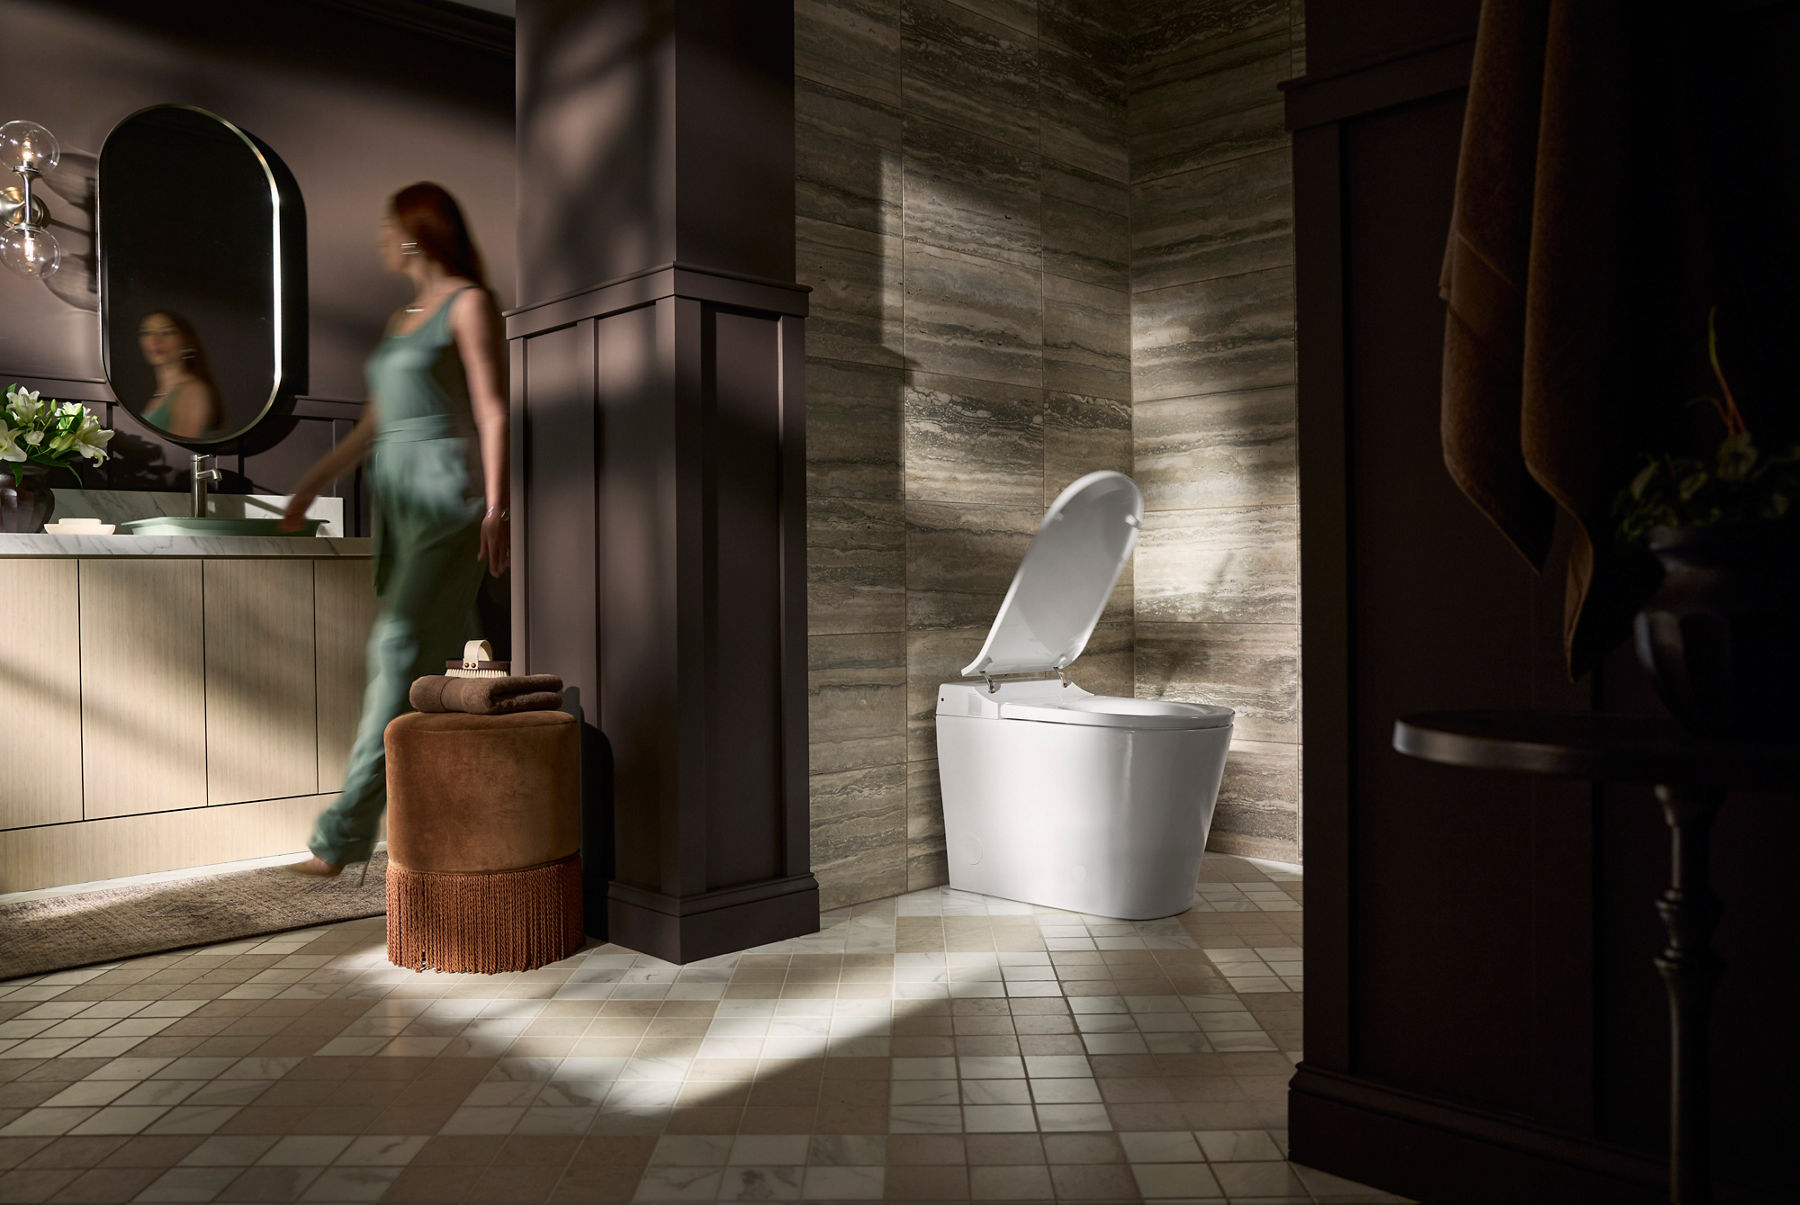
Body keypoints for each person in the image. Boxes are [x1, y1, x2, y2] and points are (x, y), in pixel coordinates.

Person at [282, 182, 510, 878]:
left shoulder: (468, 303)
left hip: (445, 494)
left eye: (389, 226)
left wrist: (499, 507)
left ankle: (342, 832)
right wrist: (316, 479)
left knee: (396, 643)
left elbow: (492, 409)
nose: (381, 237)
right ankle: (480, 817)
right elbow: (373, 424)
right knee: (448, 661)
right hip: (397, 500)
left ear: (417, 232)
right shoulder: (401, 319)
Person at [137, 311, 225, 438]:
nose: (155, 340)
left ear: (186, 340)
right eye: (146, 333)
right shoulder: (164, 391)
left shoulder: (192, 391)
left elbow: (180, 451)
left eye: (167, 332)